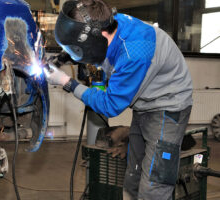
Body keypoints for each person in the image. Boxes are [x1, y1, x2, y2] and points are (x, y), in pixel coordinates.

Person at [44, 0, 193, 199]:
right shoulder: (108, 23)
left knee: (154, 185)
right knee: (133, 177)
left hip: (169, 107)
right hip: (144, 104)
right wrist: (60, 59)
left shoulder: (133, 53)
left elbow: (110, 105)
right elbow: (83, 41)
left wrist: (67, 83)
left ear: (97, 38)